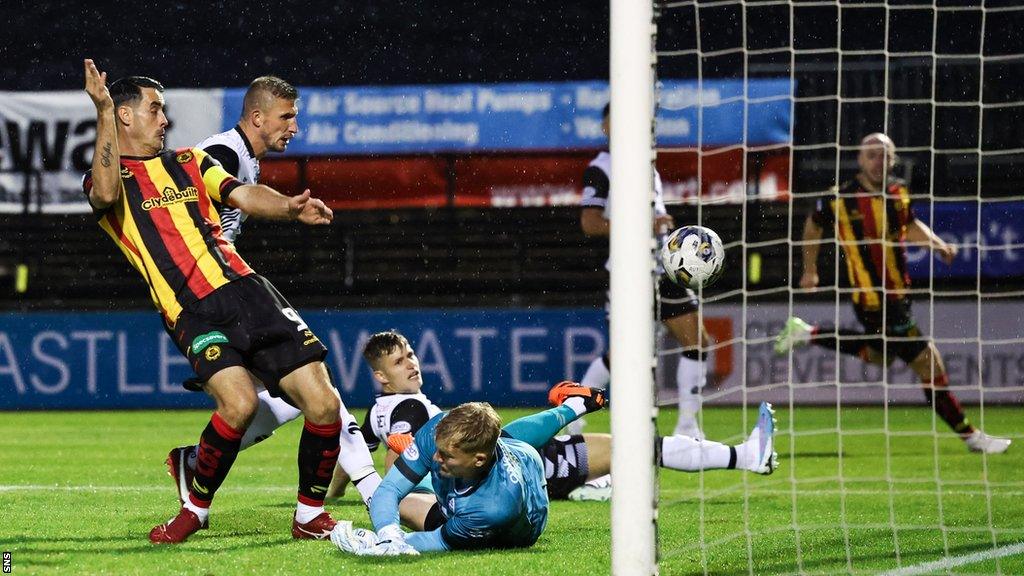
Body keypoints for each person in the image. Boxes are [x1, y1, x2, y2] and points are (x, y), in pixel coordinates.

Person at [82, 59, 343, 544]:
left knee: (324, 404)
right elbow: (103, 190)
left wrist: (287, 206)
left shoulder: (189, 161)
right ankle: (195, 509)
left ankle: (309, 515)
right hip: (192, 309)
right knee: (239, 405)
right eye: (155, 110)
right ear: (124, 116)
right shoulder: (110, 181)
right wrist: (100, 109)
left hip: (249, 289)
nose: (165, 120)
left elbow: (242, 193)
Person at [165, 77, 382, 511]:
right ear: (257, 117)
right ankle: (374, 490)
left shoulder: (242, 155)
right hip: (217, 294)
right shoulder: (223, 153)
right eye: (287, 117)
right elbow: (209, 214)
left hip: (217, 293)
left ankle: (193, 461)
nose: (294, 127)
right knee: (318, 390)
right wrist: (289, 207)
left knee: (301, 395)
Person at [330, 330, 776, 513]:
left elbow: (353, 450)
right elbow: (404, 462)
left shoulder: (380, 412)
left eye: (409, 354)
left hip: (503, 464)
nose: (410, 363)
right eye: (397, 361)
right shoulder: (408, 412)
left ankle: (583, 462)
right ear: (380, 376)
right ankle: (746, 457)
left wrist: (332, 495)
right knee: (638, 448)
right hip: (513, 468)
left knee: (631, 450)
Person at [774, 132, 1011, 454]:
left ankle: (807, 333)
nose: (878, 161)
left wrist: (939, 245)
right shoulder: (839, 198)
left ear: (893, 160)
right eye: (871, 154)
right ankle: (971, 436)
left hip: (899, 294)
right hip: (874, 300)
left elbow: (910, 226)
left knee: (878, 356)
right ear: (859, 159)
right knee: (930, 364)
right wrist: (809, 269)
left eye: (885, 155)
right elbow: (813, 225)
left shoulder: (898, 192)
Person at [332, 383, 609, 555]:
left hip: (520, 513)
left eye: (447, 455)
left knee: (514, 445)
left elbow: (438, 541)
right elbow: (389, 489)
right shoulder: (438, 430)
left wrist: (396, 544)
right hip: (479, 472)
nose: (437, 457)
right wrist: (387, 533)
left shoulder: (495, 506)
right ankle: (576, 404)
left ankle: (571, 408)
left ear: (478, 459)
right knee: (393, 491)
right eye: (438, 450)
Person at [579, 103, 710, 439]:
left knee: (697, 339)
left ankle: (687, 427)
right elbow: (590, 223)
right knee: (625, 357)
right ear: (605, 128)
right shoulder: (602, 168)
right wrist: (643, 223)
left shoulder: (648, 166)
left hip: (663, 270)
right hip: (628, 274)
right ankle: (573, 415)